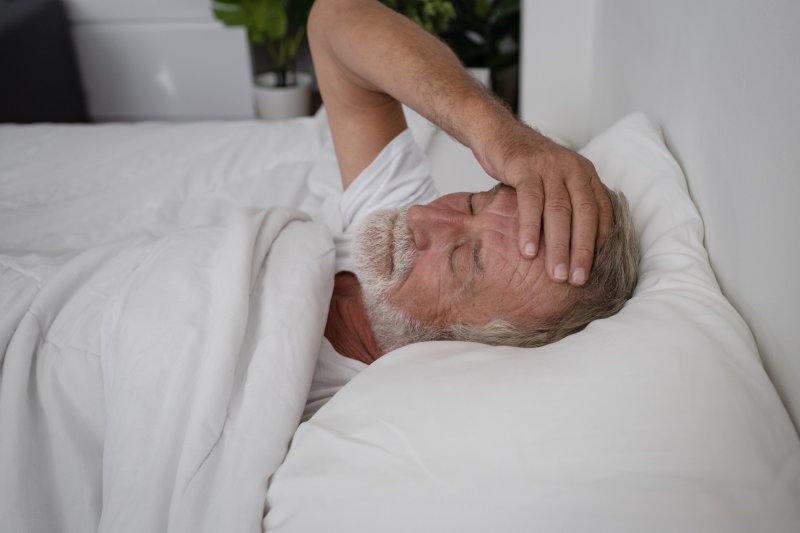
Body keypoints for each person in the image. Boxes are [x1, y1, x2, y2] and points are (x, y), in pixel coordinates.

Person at [303, 0, 639, 417]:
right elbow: (336, 16)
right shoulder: (389, 268)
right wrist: (497, 132)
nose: (423, 216)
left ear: (468, 345)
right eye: (473, 201)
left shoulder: (313, 402)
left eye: (460, 259)